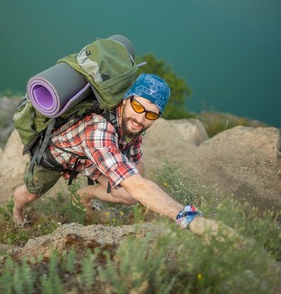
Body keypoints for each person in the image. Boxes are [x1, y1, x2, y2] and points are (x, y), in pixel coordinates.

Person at [13, 73, 213, 235]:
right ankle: (16, 212)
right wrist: (186, 216)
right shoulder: (99, 131)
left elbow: (135, 162)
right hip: (58, 156)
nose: (140, 118)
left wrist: (143, 200)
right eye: (137, 106)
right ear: (126, 100)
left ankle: (83, 195)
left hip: (88, 159)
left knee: (129, 195)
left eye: (150, 114)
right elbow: (135, 183)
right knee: (29, 195)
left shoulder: (133, 123)